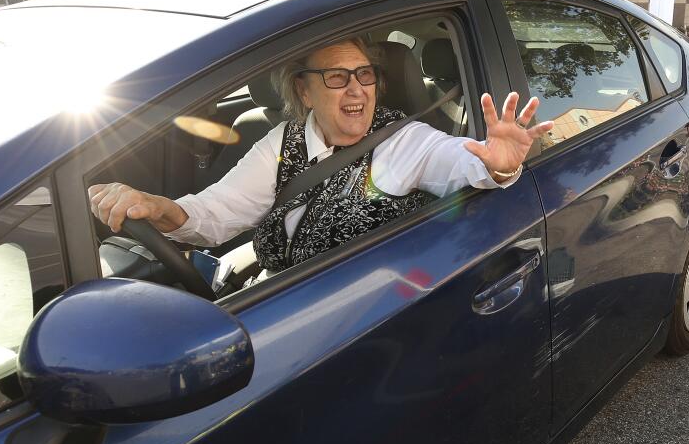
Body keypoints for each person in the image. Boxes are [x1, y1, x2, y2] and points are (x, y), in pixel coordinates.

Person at [89, 36, 554, 274]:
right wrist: (159, 207)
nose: (356, 89)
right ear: (304, 90)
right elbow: (216, 213)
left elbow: (457, 159)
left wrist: (497, 161)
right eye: (336, 77)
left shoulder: (404, 139)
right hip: (286, 300)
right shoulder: (282, 142)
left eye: (365, 75)